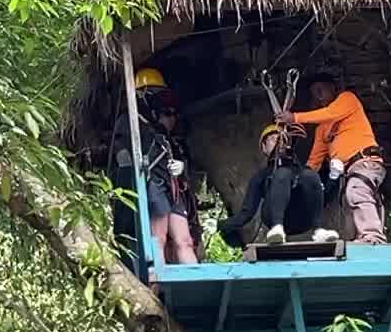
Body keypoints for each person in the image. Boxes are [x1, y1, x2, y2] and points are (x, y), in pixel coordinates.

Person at [279, 64, 387, 244]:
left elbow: (330, 113)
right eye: (314, 93)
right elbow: (314, 162)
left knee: (358, 191)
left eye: (321, 90)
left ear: (333, 89)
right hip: (348, 171)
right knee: (349, 201)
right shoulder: (322, 129)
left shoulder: (347, 99)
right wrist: (300, 182)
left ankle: (373, 236)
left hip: (365, 161)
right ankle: (362, 239)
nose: (318, 96)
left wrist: (294, 118)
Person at [111, 67, 198, 265]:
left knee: (185, 241)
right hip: (153, 184)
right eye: (152, 92)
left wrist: (180, 167)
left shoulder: (162, 127)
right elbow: (122, 156)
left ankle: (195, 278)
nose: (157, 98)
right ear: (140, 95)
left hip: (171, 187)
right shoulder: (129, 121)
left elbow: (177, 154)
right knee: (158, 238)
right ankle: (156, 279)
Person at [219, 122, 337, 248]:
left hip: (302, 218)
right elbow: (247, 213)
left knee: (310, 175)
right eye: (272, 139)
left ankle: (318, 230)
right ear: (264, 147)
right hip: (272, 216)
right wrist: (223, 226)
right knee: (283, 174)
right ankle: (277, 227)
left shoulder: (301, 172)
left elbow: (321, 199)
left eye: (281, 139)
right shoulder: (261, 175)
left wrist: (333, 178)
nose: (277, 142)